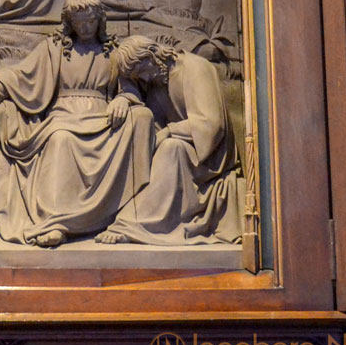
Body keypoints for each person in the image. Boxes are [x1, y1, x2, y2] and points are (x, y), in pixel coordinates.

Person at [0, 0, 154, 246]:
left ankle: (126, 213)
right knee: (60, 139)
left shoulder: (113, 51)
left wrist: (124, 98)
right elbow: (17, 76)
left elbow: (130, 87)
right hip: (64, 116)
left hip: (103, 120)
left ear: (100, 20)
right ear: (69, 23)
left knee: (141, 116)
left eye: (90, 21)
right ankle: (55, 222)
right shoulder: (54, 49)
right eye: (79, 23)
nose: (85, 28)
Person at [96, 35, 240, 245]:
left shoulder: (196, 68)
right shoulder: (157, 80)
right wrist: (124, 100)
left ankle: (135, 224)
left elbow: (211, 124)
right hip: (178, 146)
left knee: (172, 149)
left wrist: (169, 132)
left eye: (141, 71)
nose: (144, 79)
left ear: (152, 55)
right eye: (138, 77)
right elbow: (153, 121)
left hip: (209, 156)